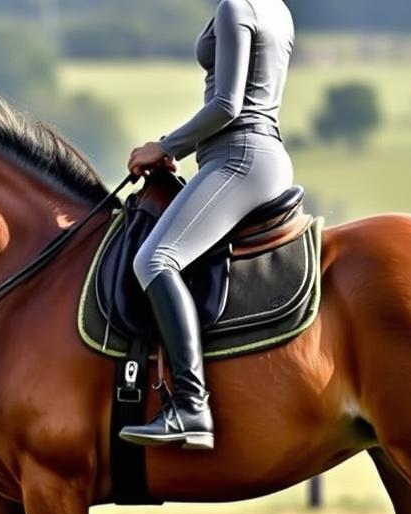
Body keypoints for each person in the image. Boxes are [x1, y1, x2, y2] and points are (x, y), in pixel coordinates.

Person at [118, 0, 296, 450]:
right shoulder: (277, 8)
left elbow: (227, 104)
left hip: (238, 159)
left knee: (155, 261)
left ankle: (189, 406)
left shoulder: (236, 6)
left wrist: (163, 146)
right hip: (256, 155)